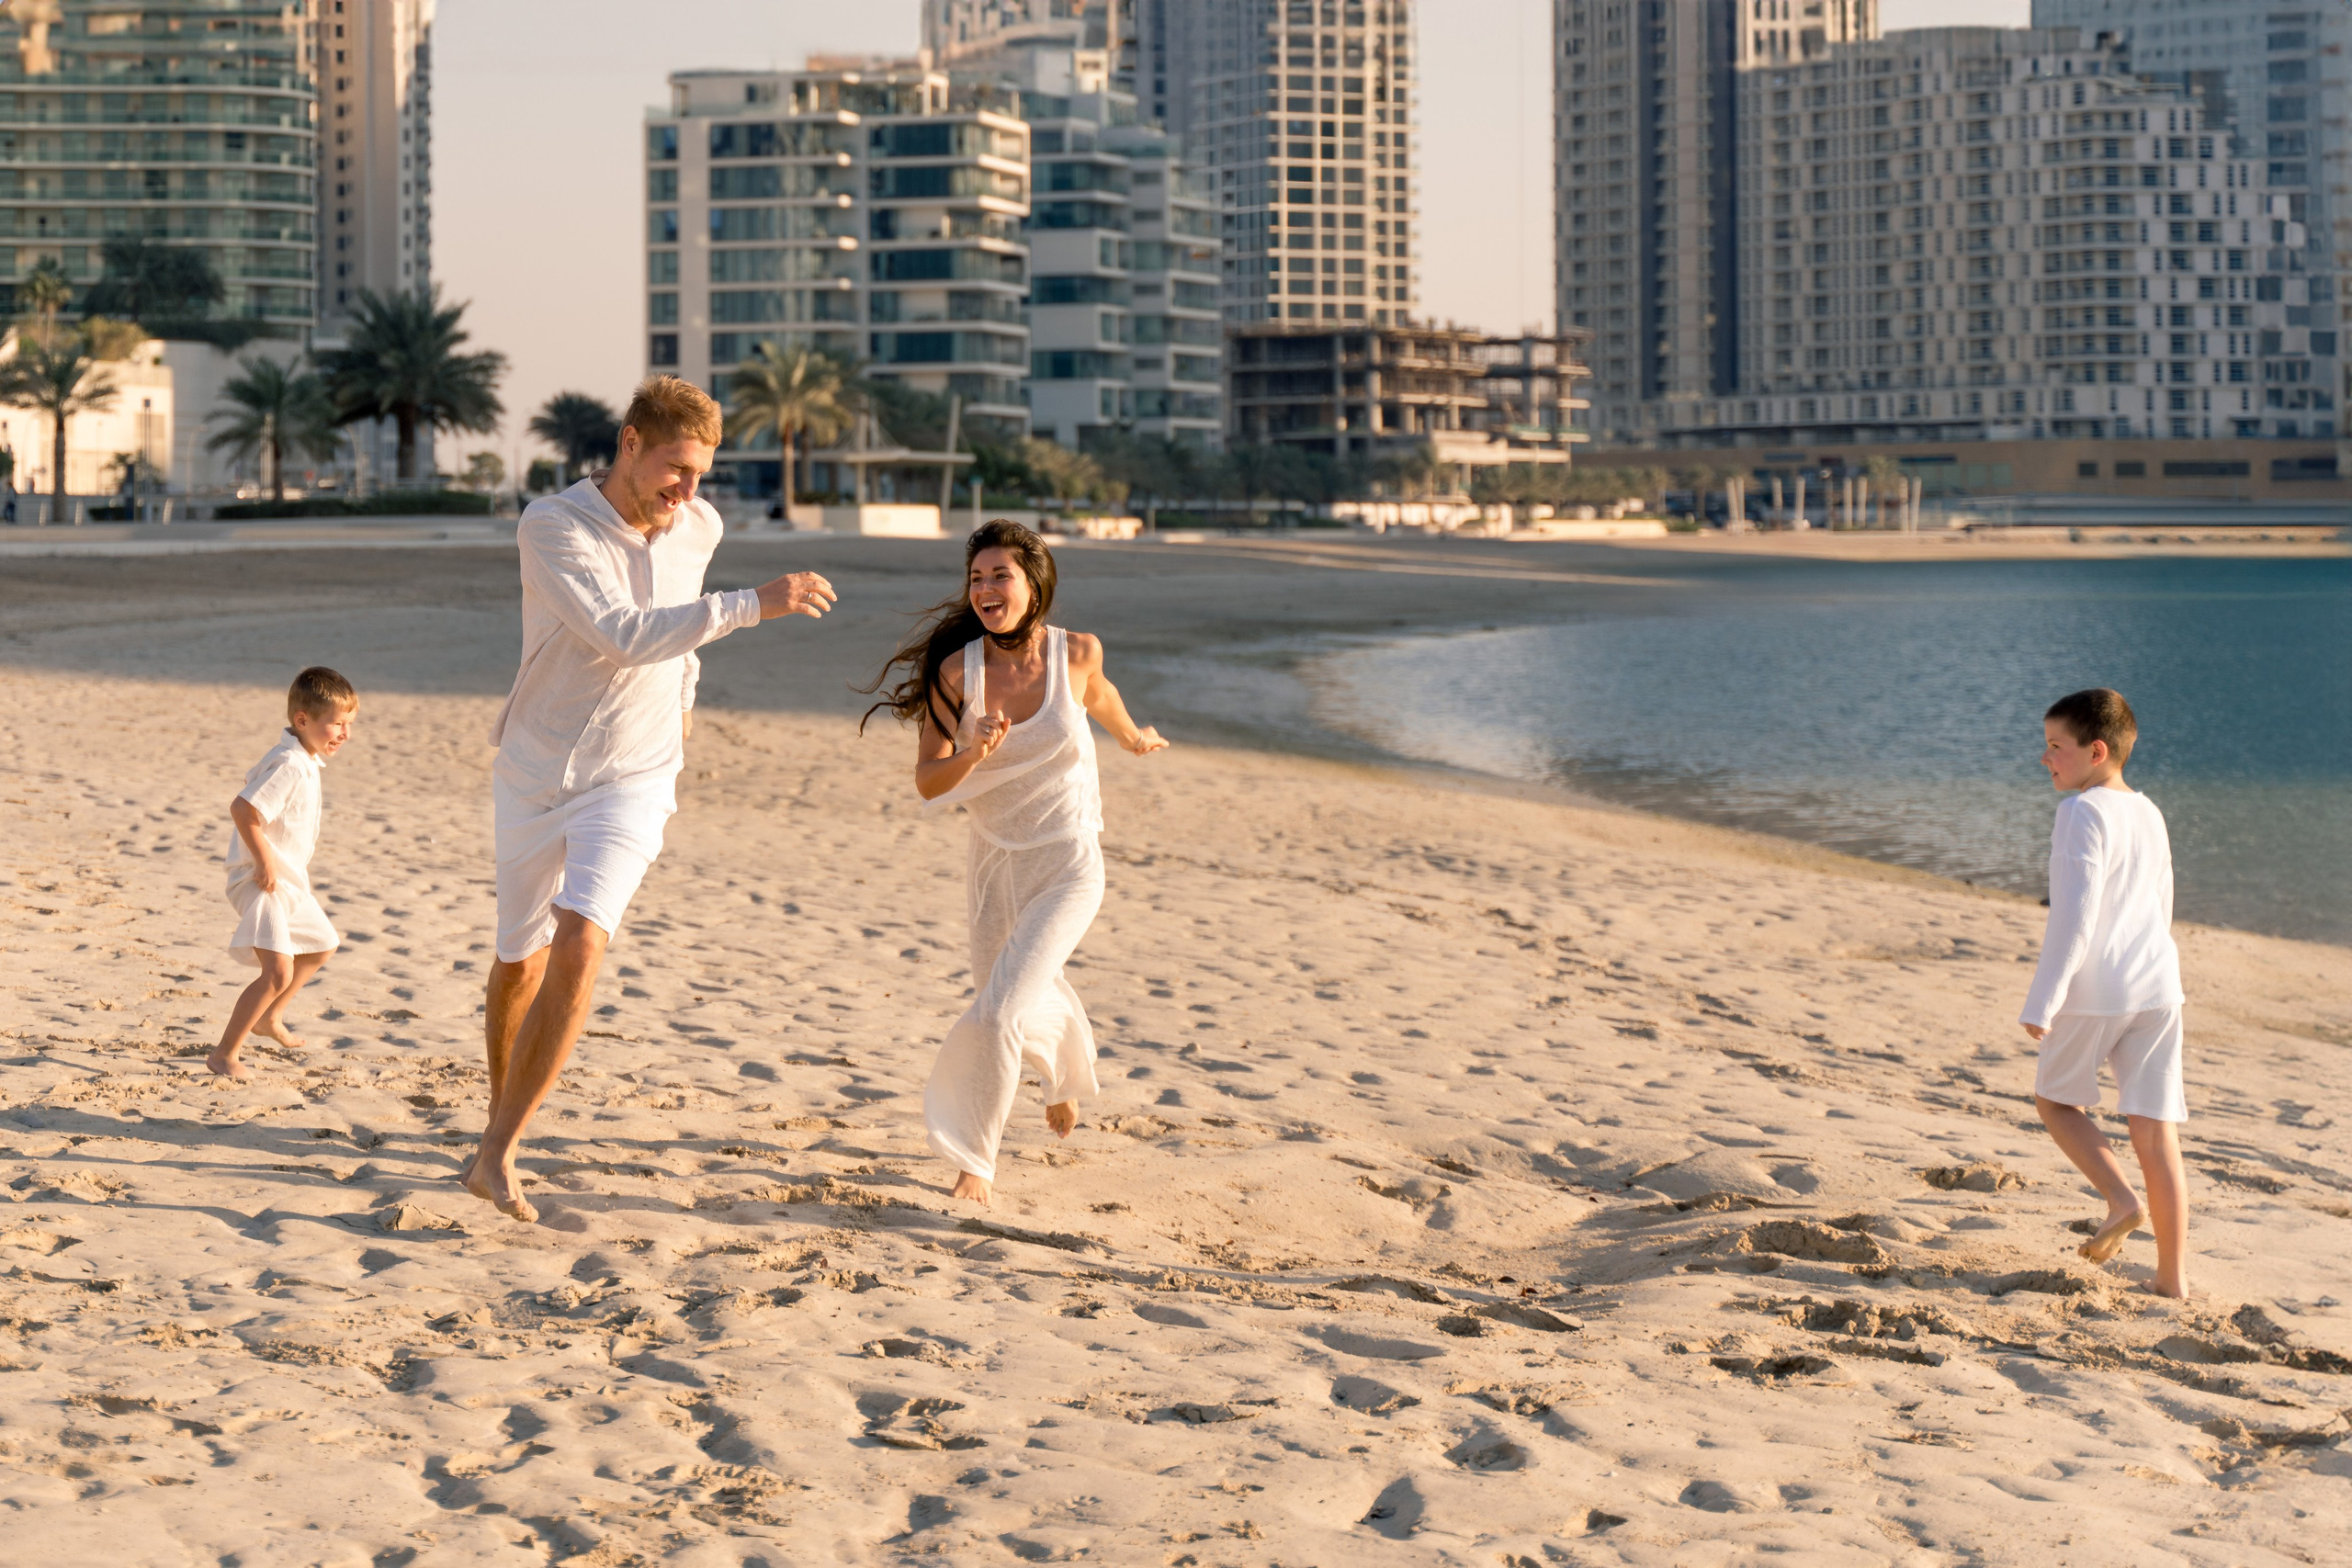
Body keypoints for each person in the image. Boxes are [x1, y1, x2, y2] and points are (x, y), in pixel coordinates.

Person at [466, 375, 838, 1222]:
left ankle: (498, 1151)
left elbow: (680, 634)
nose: (689, 490)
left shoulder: (698, 525)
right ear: (629, 443)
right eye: (676, 467)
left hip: (636, 774)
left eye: (701, 473)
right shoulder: (552, 525)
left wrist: (684, 709)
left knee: (581, 942)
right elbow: (622, 634)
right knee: (519, 959)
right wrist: (753, 604)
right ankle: (499, 1116)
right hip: (534, 770)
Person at [860, 520, 1168, 1206]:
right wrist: (975, 753)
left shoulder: (1077, 652)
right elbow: (928, 781)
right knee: (1014, 988)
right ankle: (1061, 1075)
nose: (986, 589)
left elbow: (1100, 696)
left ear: (1035, 584)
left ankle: (975, 1162)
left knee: (998, 1011)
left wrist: (1131, 738)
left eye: (1001, 575)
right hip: (994, 869)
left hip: (1069, 862)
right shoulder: (957, 674)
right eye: (976, 578)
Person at [2019, 687, 2189, 1297]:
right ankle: (2171, 1280)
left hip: (2098, 988)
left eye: (2055, 746)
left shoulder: (2080, 812)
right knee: (2157, 1133)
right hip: (2158, 985)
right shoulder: (2149, 810)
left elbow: (2075, 916)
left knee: (2054, 1101)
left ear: (2096, 751)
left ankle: (2121, 1200)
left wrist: (2044, 999)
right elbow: (2162, 903)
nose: (2045, 758)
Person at [210, 666, 357, 1083]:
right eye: (337, 724)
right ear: (302, 720)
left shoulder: (304, 759)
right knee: (277, 972)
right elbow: (243, 808)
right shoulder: (290, 765)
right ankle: (225, 1054)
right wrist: (263, 861)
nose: (345, 733)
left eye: (349, 724)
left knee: (321, 945)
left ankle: (268, 1017)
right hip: (261, 881)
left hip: (287, 881)